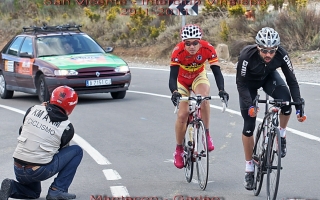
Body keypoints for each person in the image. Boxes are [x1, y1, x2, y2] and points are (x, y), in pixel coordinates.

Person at [236, 27, 307, 190]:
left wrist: (299, 106)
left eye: (272, 51)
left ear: (277, 48)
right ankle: (249, 168)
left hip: (268, 79)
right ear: (257, 47)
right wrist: (250, 104)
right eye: (264, 51)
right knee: (249, 125)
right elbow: (240, 83)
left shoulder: (282, 54)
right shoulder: (247, 56)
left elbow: (292, 81)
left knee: (286, 103)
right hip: (248, 86)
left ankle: (281, 134)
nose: (268, 55)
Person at [0, 86, 82, 200]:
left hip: (18, 168)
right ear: (71, 106)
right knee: (77, 151)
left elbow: (22, 131)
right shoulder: (67, 127)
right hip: (38, 170)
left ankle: (12, 187)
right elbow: (60, 151)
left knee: (33, 193)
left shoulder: (32, 109)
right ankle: (57, 190)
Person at [169, 24, 229, 169]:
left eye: (195, 42)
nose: (191, 46)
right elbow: (172, 77)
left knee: (204, 98)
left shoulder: (208, 48)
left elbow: (216, 72)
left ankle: (206, 134)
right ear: (183, 43)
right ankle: (178, 149)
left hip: (198, 77)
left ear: (200, 41)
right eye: (187, 43)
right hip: (181, 80)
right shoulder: (177, 51)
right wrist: (174, 92)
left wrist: (222, 90)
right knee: (182, 114)